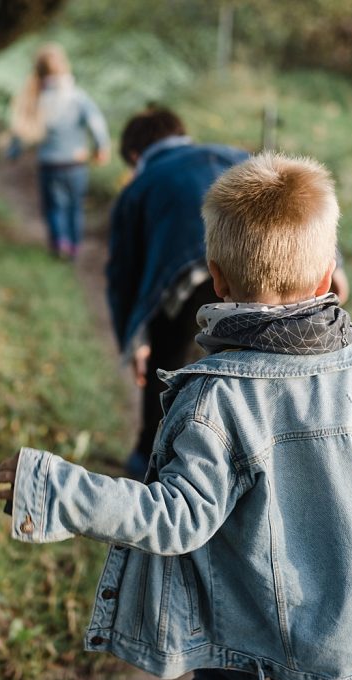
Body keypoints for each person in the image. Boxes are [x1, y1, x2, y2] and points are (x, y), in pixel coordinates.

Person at [0, 153, 352, 680]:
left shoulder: (213, 399)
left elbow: (175, 518)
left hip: (239, 651)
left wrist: (58, 490)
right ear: (327, 277)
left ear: (218, 280)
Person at [105, 106, 249, 480]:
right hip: (258, 274)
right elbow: (297, 195)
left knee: (169, 372)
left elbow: (123, 277)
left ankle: (148, 464)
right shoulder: (235, 155)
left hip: (190, 281)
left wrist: (135, 340)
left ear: (136, 157)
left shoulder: (140, 185)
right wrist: (335, 262)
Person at [9, 43, 110, 259]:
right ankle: (74, 245)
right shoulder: (77, 97)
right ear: (65, 67)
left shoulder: (35, 99)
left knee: (54, 207)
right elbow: (96, 122)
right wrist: (101, 147)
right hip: (75, 162)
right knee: (75, 206)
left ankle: (59, 242)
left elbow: (21, 131)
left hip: (49, 164)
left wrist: (14, 152)